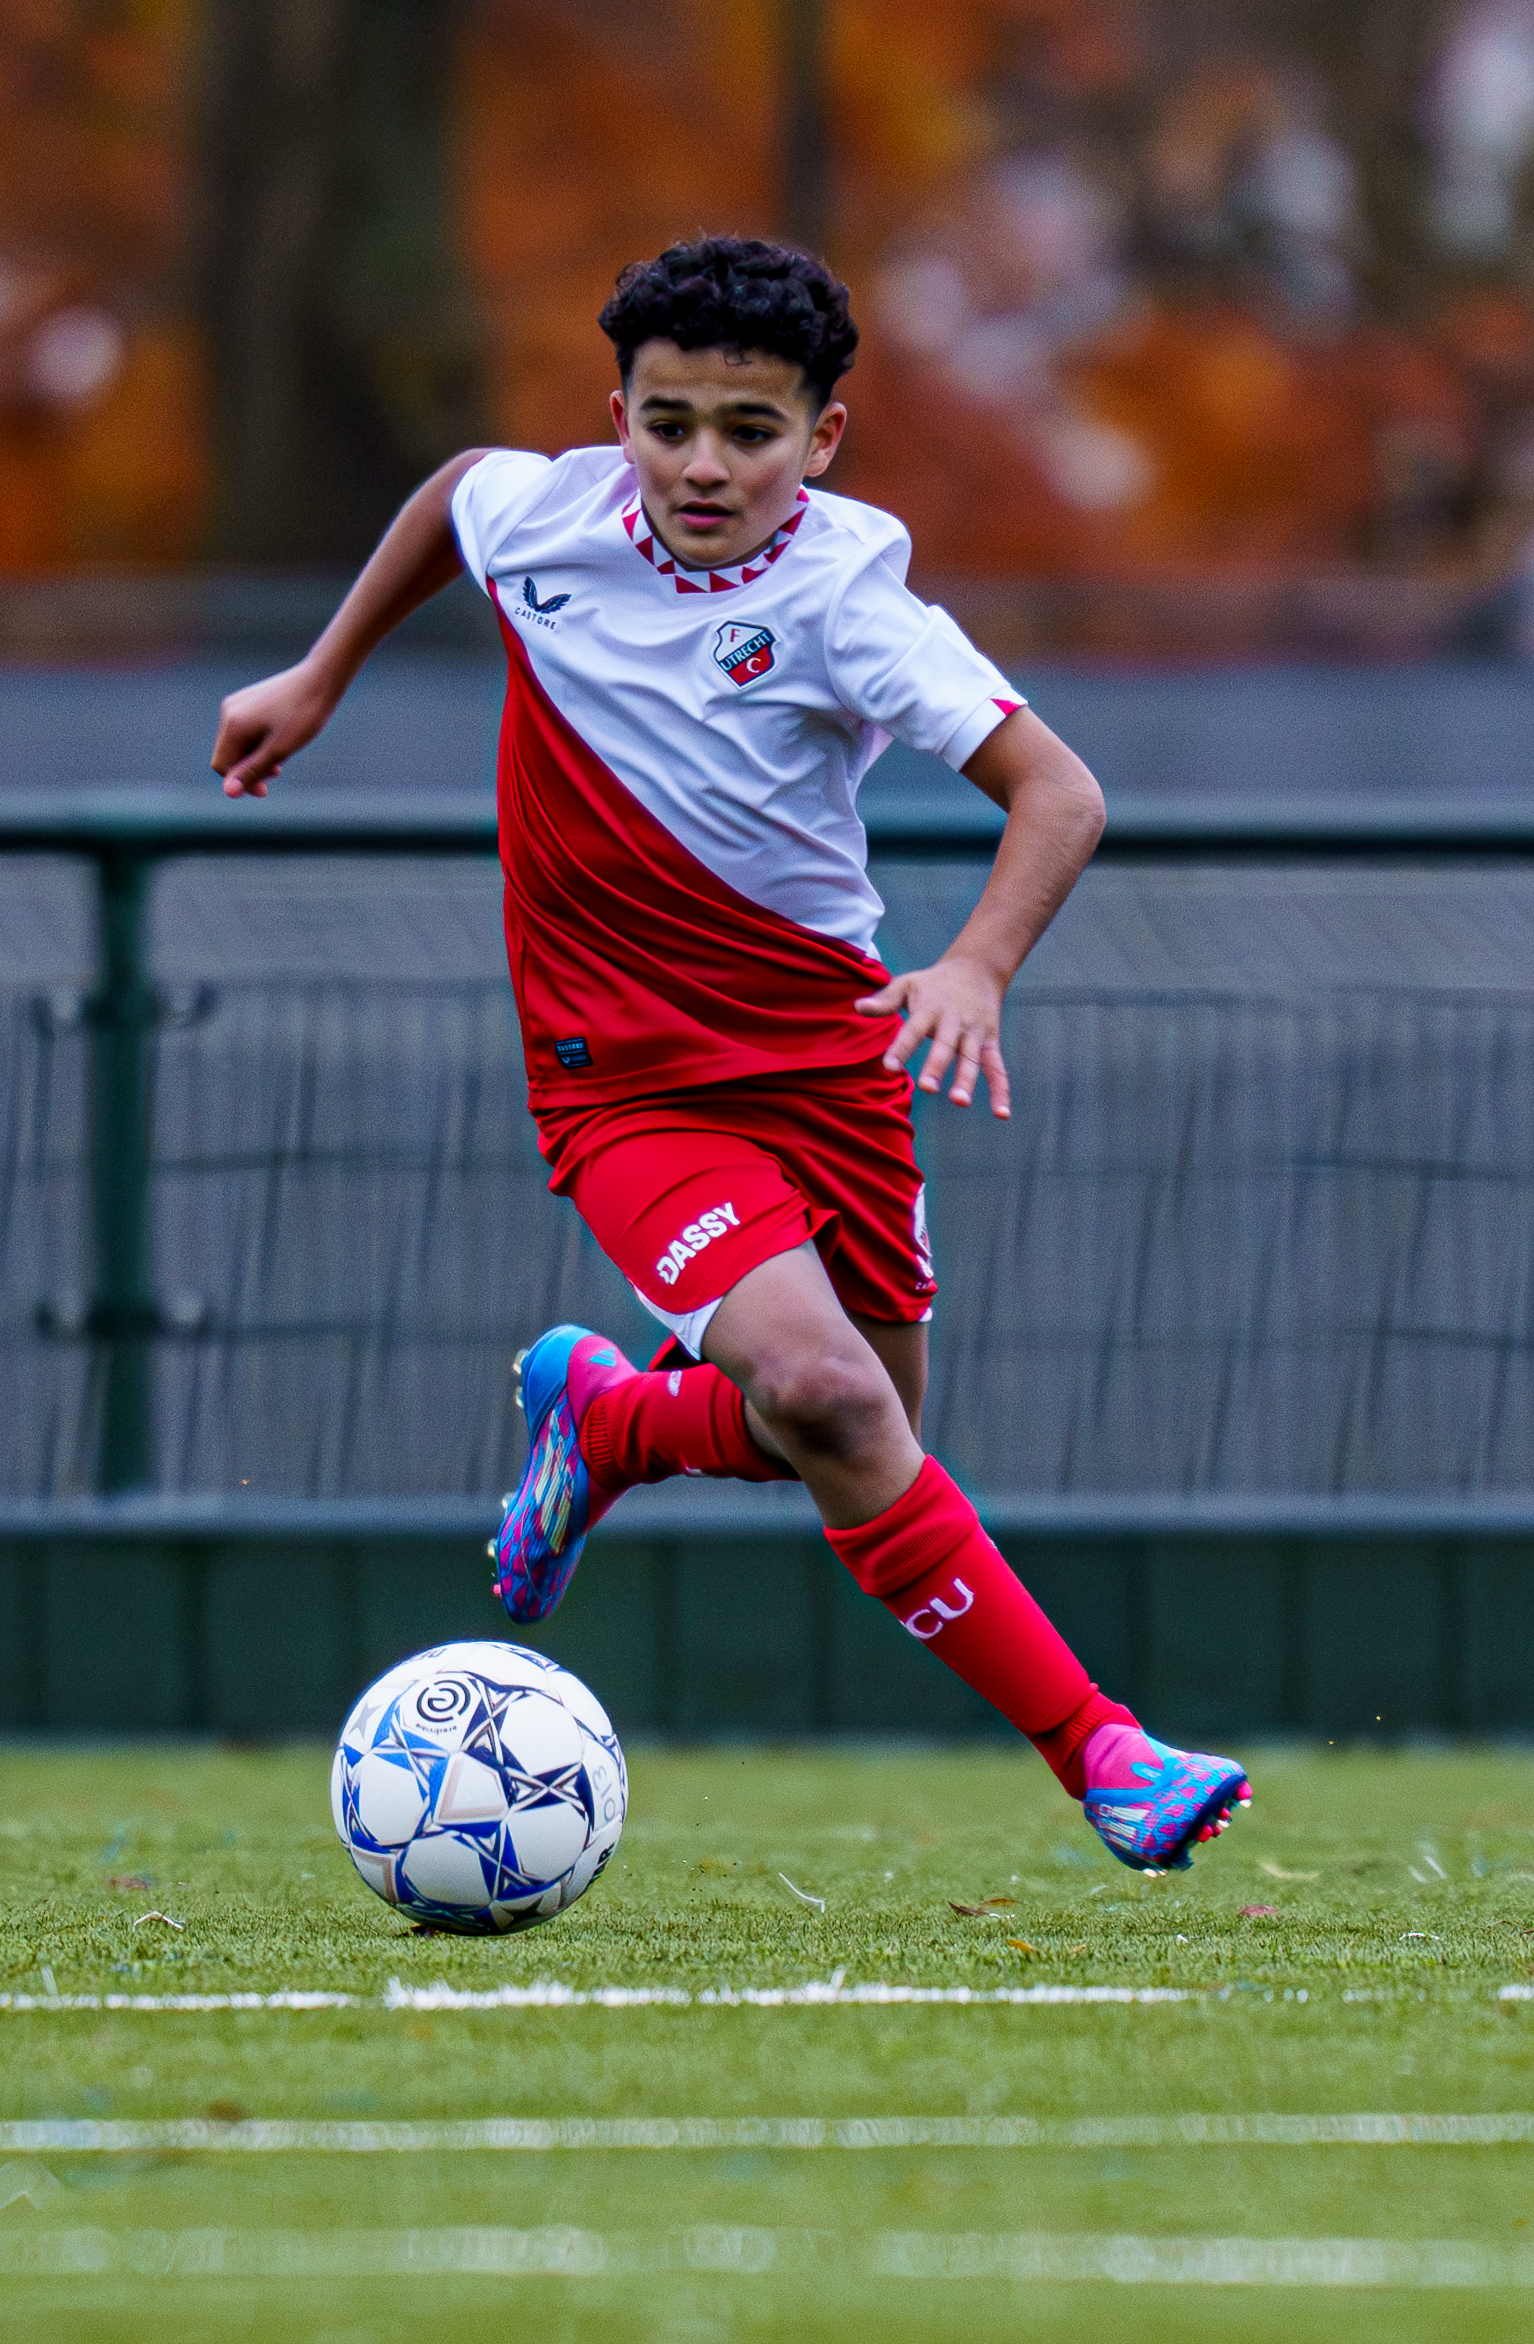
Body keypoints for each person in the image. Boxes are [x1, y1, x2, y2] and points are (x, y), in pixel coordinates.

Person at [211, 235, 1249, 1873]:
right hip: (625, 1081)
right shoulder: (543, 517)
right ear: (614, 411)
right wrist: (319, 676)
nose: (703, 463)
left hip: (833, 1068)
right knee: (831, 1394)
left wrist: (973, 964)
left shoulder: (849, 599)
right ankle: (1105, 1756)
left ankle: (611, 1424)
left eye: (749, 431)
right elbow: (455, 492)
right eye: (668, 419)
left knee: (846, 1432)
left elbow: (1064, 792)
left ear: (822, 438)